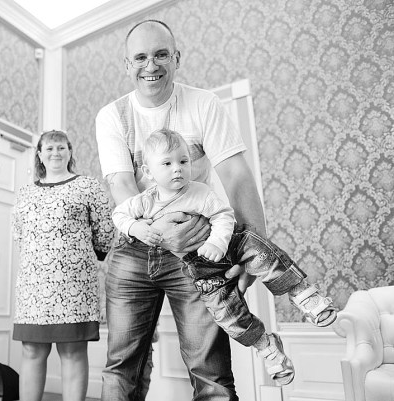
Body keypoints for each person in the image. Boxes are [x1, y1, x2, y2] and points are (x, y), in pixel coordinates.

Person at [95, 19, 267, 400]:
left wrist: (253, 250)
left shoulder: (204, 104)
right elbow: (121, 184)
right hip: (135, 245)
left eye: (161, 55)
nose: (151, 66)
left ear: (176, 58)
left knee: (211, 373)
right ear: (127, 64)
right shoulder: (111, 116)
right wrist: (160, 232)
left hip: (194, 245)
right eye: (140, 57)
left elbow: (237, 175)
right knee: (121, 369)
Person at [113, 129, 337, 385]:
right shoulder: (144, 202)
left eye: (183, 161)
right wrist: (136, 228)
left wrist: (217, 242)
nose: (177, 169)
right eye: (167, 163)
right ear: (148, 171)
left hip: (231, 244)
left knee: (262, 254)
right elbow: (119, 215)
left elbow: (223, 215)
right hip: (203, 269)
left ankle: (301, 293)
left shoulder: (199, 191)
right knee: (227, 314)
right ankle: (266, 346)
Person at [11, 130, 115, 401]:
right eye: (49, 148)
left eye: (61, 147)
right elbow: (18, 235)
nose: (55, 153)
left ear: (69, 152)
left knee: (72, 351)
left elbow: (105, 230)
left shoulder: (88, 186)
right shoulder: (25, 193)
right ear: (39, 154)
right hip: (33, 287)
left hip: (74, 286)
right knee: (32, 350)